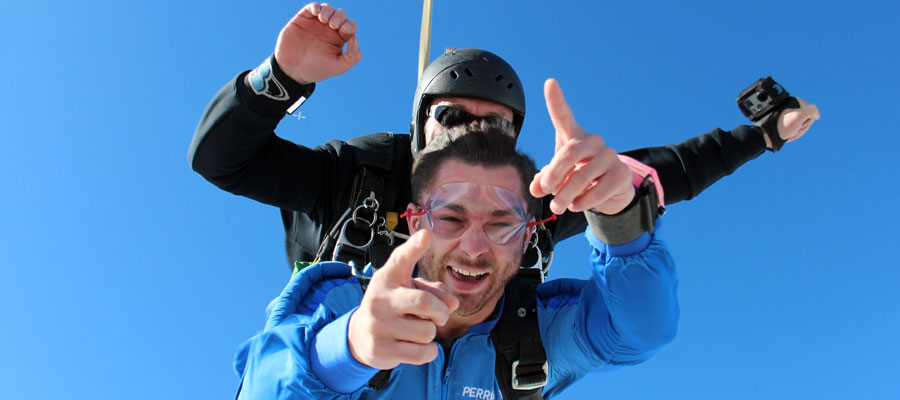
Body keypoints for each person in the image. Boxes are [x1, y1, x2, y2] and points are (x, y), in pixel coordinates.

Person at [188, 2, 820, 273]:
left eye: (493, 126)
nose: (471, 134)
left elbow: (665, 170)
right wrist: (283, 77)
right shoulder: (355, 174)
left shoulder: (530, 204)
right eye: (453, 118)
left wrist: (763, 135)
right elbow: (223, 160)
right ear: (420, 126)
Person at [233, 113, 677, 399]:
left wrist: (621, 217)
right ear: (414, 222)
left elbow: (638, 330)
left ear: (527, 238)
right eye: (451, 218)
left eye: (502, 223)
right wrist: (348, 349)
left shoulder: (538, 331)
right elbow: (263, 386)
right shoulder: (340, 305)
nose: (474, 247)